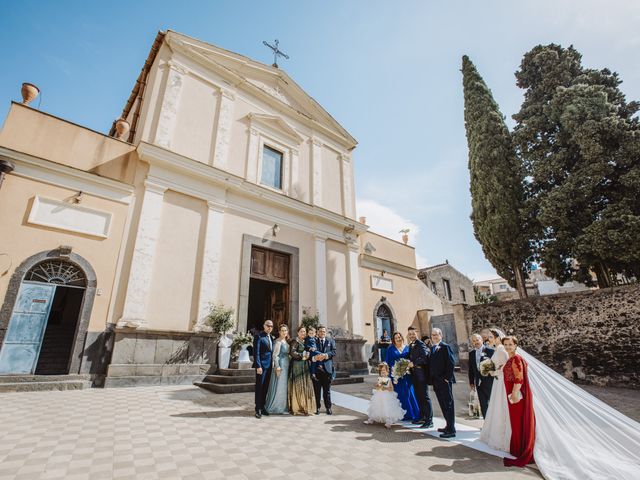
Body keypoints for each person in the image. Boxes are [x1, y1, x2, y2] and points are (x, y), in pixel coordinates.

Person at [502, 336, 535, 467]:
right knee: (516, 422)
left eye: (510, 344)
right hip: (512, 394)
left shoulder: (516, 358)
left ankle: (522, 450)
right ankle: (518, 448)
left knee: (518, 421)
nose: (508, 346)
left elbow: (519, 378)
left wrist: (515, 394)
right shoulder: (511, 358)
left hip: (516, 396)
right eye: (505, 344)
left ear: (515, 345)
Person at [479, 328, 511, 452]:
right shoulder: (497, 349)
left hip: (502, 382)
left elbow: (507, 367)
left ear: (498, 338)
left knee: (501, 407)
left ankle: (503, 437)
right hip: (498, 381)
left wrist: (493, 371)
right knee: (496, 406)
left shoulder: (502, 349)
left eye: (491, 337)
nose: (489, 339)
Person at [385, 332, 420, 421]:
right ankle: (402, 415)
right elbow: (387, 363)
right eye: (396, 338)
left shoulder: (407, 348)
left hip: (407, 375)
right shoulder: (390, 349)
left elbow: (412, 360)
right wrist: (388, 376)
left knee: (409, 393)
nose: (398, 339)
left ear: (402, 338)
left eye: (399, 337)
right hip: (396, 376)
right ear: (394, 340)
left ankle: (413, 413)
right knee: (400, 394)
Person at [429, 328, 456, 438]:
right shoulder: (433, 348)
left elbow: (451, 363)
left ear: (441, 335)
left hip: (444, 381)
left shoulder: (445, 347)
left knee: (448, 404)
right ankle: (448, 426)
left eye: (436, 335)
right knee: (443, 404)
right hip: (436, 381)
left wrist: (447, 378)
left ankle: (452, 430)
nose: (434, 336)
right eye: (433, 335)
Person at [364, 362, 405, 428]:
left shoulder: (389, 379)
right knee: (377, 406)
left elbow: (392, 388)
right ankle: (371, 419)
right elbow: (377, 387)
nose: (383, 372)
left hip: (387, 395)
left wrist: (386, 388)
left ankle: (388, 421)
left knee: (387, 407)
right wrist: (378, 386)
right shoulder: (379, 379)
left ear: (387, 371)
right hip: (379, 395)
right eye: (381, 371)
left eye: (384, 371)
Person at [407, 326, 433, 428]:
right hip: (414, 375)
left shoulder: (421, 344)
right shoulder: (411, 345)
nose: (412, 336)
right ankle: (422, 417)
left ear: (417, 333)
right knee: (418, 396)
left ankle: (429, 420)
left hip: (421, 375)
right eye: (410, 334)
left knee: (425, 397)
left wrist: (414, 363)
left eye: (413, 334)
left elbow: (424, 358)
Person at [288, 326, 315, 416]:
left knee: (305, 386)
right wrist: (302, 355)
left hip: (305, 365)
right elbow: (292, 352)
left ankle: (305, 406)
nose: (303, 333)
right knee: (298, 385)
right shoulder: (295, 341)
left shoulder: (306, 341)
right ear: (298, 332)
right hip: (297, 365)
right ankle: (297, 407)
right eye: (301, 331)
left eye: (304, 332)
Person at [264, 324, 290, 414]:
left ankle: (283, 406)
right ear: (279, 332)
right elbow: (275, 355)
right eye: (282, 330)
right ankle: (277, 407)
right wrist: (277, 366)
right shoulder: (278, 342)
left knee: (284, 386)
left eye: (285, 330)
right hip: (281, 366)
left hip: (287, 365)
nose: (284, 332)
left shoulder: (286, 341)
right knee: (280, 386)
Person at [468, 333, 494, 419]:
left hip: (490, 382)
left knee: (493, 402)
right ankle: (486, 423)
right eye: (474, 341)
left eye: (477, 340)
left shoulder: (490, 351)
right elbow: (471, 369)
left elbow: (494, 366)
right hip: (478, 383)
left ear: (482, 340)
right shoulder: (471, 353)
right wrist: (471, 382)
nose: (476, 342)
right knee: (483, 404)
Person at [252, 320, 274, 419]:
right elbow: (256, 353)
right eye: (268, 325)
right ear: (264, 326)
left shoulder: (271, 338)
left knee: (265, 387)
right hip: (261, 367)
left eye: (271, 326)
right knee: (259, 387)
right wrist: (258, 366)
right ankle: (258, 409)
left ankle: (263, 406)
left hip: (269, 366)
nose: (270, 327)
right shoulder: (258, 336)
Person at [313, 325, 336, 415]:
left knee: (327, 391)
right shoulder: (314, 341)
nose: (322, 333)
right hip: (317, 370)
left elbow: (334, 351)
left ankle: (328, 407)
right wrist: (316, 356)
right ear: (318, 332)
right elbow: (311, 351)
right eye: (320, 331)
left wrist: (325, 355)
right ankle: (317, 408)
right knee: (317, 391)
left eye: (323, 331)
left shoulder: (331, 341)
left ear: (325, 332)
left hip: (327, 370)